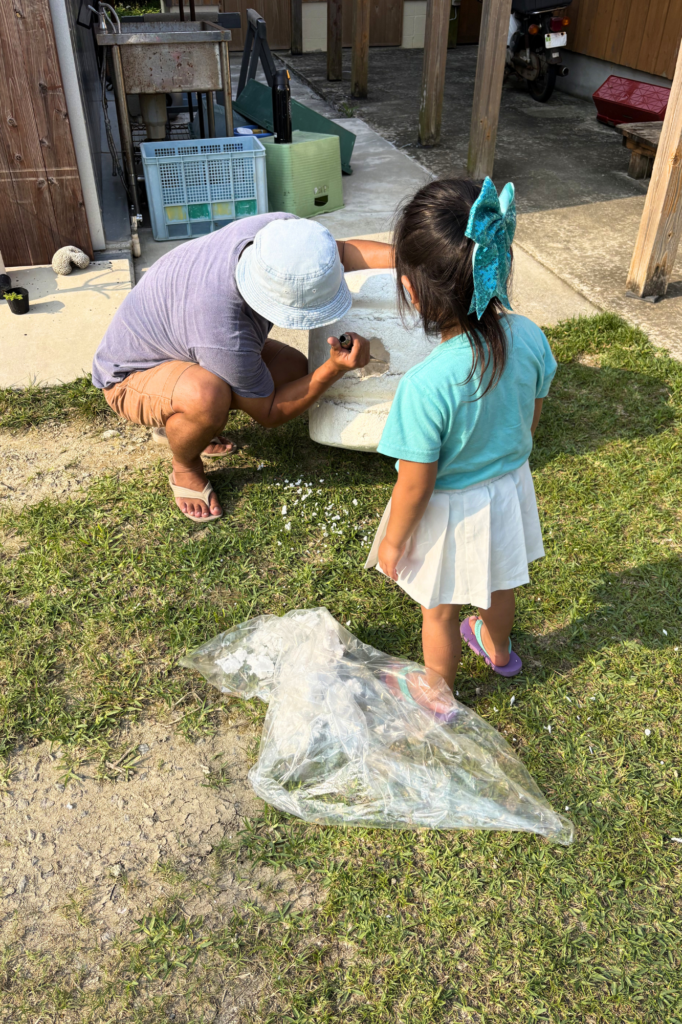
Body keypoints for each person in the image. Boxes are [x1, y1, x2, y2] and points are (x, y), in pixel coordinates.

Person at [365, 177, 557, 718]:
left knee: (440, 609)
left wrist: (393, 542)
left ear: (412, 291)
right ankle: (500, 652)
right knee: (500, 584)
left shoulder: (425, 385)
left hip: (449, 510)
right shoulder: (531, 335)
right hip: (508, 490)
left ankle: (437, 694)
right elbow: (530, 419)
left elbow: (415, 484)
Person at [92, 214, 392, 523]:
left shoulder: (283, 235)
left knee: (294, 371)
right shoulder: (223, 330)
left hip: (186, 340)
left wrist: (409, 264)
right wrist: (333, 369)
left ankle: (187, 422)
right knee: (207, 398)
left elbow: (342, 252)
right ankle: (185, 465)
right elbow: (270, 412)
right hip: (130, 374)